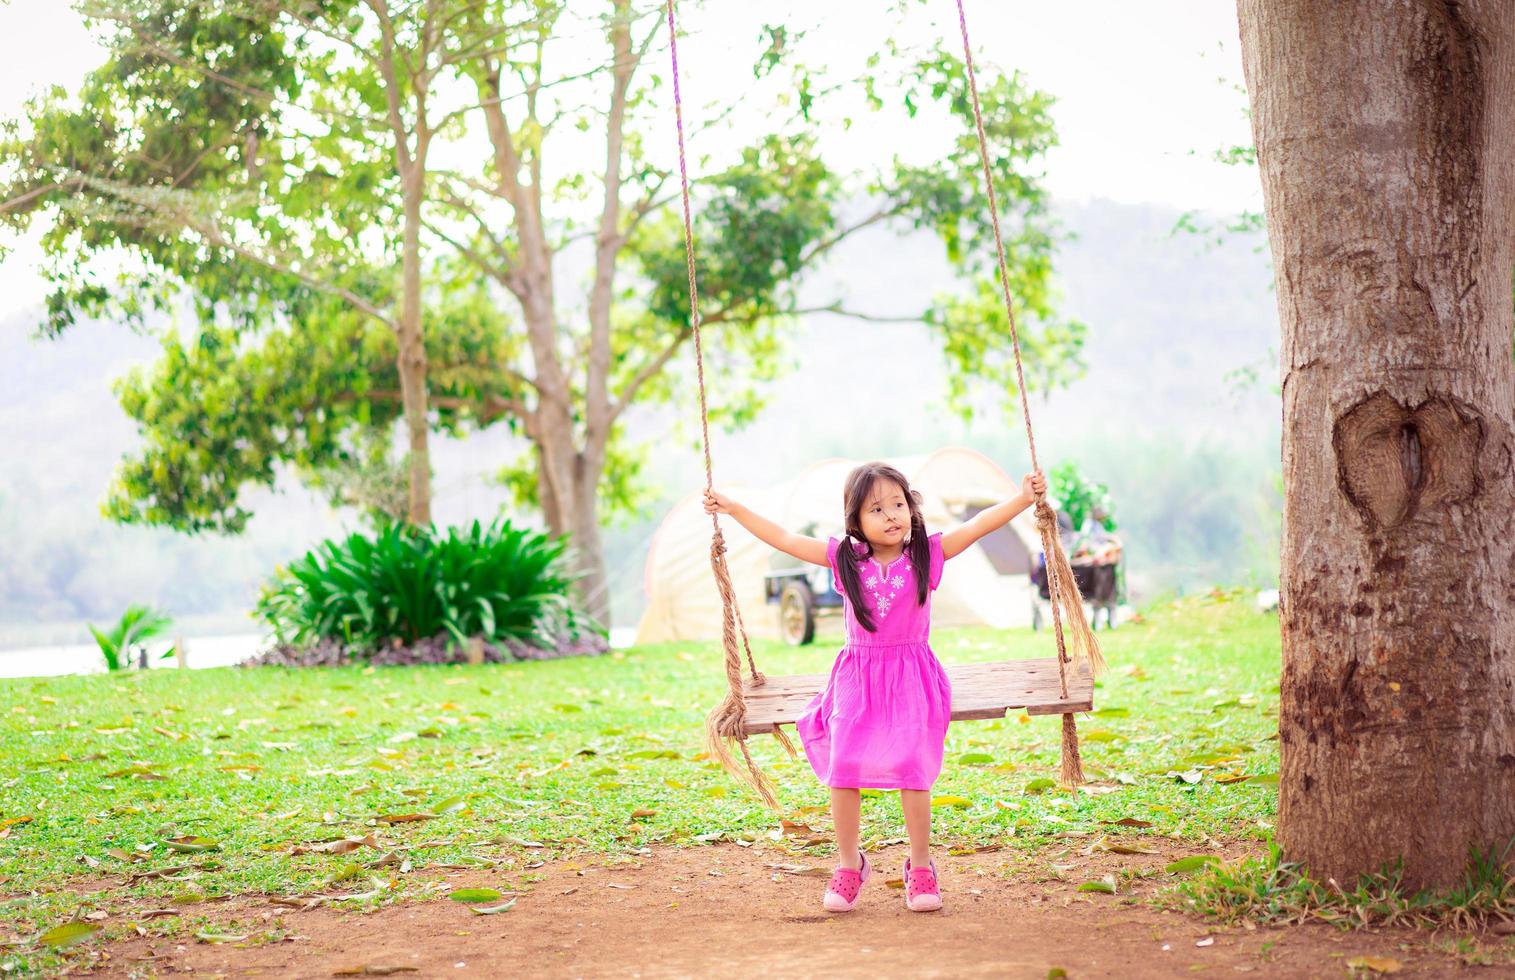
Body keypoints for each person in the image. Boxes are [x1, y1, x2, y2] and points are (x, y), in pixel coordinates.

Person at [703, 461, 1046, 914]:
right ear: (856, 522)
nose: (891, 516)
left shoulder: (927, 553)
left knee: (911, 765)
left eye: (899, 504)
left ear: (911, 508)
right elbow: (784, 539)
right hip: (857, 676)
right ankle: (849, 865)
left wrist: (1023, 498)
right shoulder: (844, 559)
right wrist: (735, 509)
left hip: (911, 674)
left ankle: (920, 866)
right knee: (843, 764)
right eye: (877, 509)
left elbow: (978, 525)